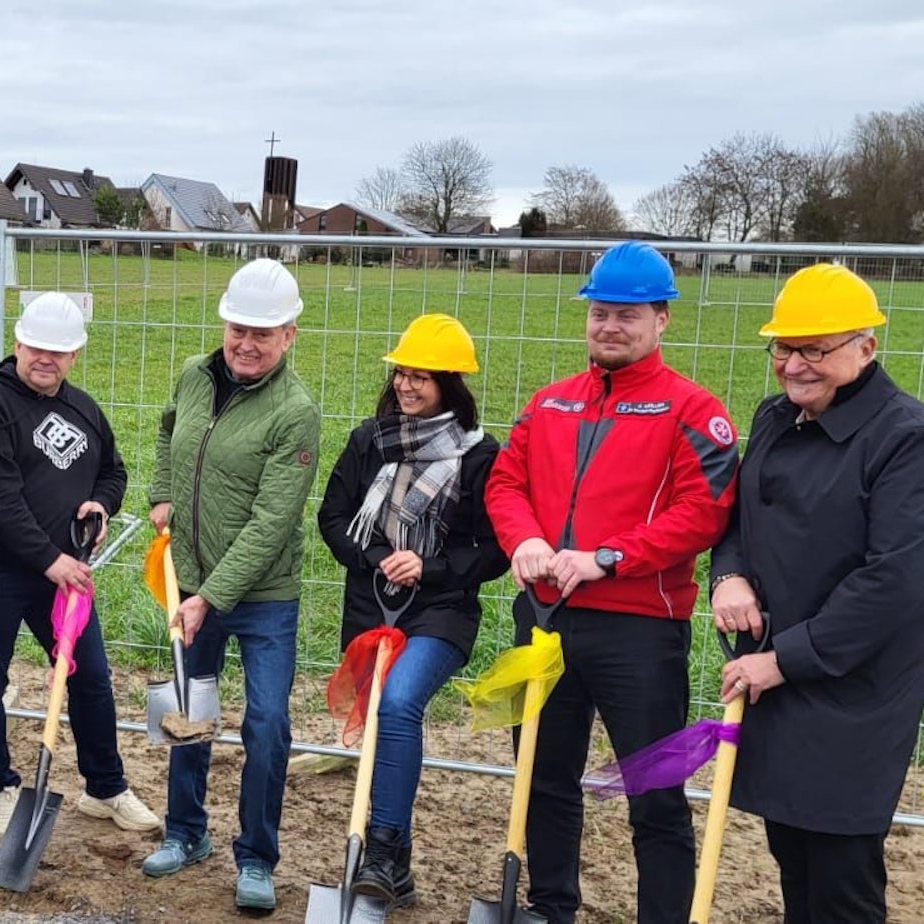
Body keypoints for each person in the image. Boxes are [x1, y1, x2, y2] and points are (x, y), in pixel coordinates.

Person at [483, 240, 739, 924]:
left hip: (640, 631)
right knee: (543, 779)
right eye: (599, 312)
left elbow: (703, 512)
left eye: (627, 314)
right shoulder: (548, 404)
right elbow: (504, 481)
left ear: (662, 320)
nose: (609, 326)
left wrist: (608, 557)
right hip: (542, 621)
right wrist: (526, 539)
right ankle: (550, 908)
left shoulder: (691, 411)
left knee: (653, 795)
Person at [710, 264, 924, 922]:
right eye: (782, 347)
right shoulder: (775, 416)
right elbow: (737, 516)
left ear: (865, 346)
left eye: (813, 349)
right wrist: (728, 573)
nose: (793, 365)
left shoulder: (904, 437)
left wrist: (783, 660)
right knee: (791, 855)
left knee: (839, 874)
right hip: (775, 672)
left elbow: (893, 580)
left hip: (850, 685)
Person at [140, 257, 321, 912]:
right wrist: (162, 493)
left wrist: (208, 598)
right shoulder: (193, 374)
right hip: (188, 576)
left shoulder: (294, 414)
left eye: (263, 333)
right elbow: (166, 430)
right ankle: (186, 832)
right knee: (189, 712)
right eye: (237, 328)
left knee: (267, 723)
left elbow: (271, 525)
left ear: (289, 336)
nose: (246, 344)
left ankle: (256, 856)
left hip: (259, 597)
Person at [315, 313, 507, 907]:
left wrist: (430, 566)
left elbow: (496, 548)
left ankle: (384, 845)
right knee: (381, 719)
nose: (406, 385)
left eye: (421, 377)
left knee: (399, 703)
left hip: (442, 610)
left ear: (451, 385)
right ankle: (394, 867)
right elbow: (332, 519)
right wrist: (381, 556)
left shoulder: (479, 456)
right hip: (374, 601)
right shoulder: (368, 440)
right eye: (402, 373)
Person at [0, 293, 158, 840]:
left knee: (90, 678)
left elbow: (113, 473)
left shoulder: (84, 409)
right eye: (37, 347)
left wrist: (102, 503)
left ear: (74, 355)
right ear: (18, 343)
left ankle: (105, 787)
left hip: (64, 575)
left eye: (60, 351)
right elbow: (1, 496)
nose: (46, 358)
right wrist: (51, 560)